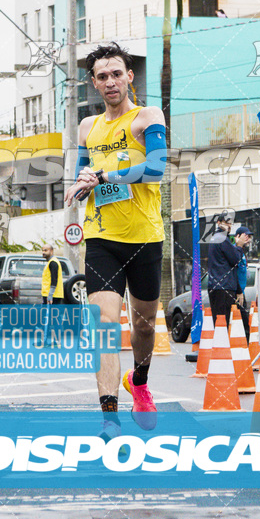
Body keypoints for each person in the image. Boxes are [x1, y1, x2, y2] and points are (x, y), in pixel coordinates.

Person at [64, 42, 167, 440]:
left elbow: (156, 168)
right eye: (102, 76)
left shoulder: (147, 117)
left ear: (129, 77)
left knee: (143, 328)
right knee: (105, 323)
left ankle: (138, 381)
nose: (110, 82)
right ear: (93, 83)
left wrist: (105, 177)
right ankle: (110, 418)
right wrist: (83, 185)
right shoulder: (88, 128)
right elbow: (80, 176)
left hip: (145, 238)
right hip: (102, 238)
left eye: (116, 74)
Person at [207, 210, 241, 329]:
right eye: (226, 223)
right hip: (224, 287)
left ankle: (219, 346)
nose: (229, 226)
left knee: (218, 323)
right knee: (224, 323)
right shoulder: (222, 239)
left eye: (230, 223)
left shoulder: (214, 238)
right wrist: (239, 247)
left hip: (214, 286)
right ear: (218, 222)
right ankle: (222, 347)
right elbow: (235, 260)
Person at [232, 225, 253, 342]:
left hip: (241, 292)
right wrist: (239, 291)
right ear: (238, 236)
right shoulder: (235, 251)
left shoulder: (242, 252)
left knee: (243, 321)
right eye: (246, 236)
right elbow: (233, 272)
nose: (248, 239)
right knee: (243, 321)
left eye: (249, 237)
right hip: (236, 292)